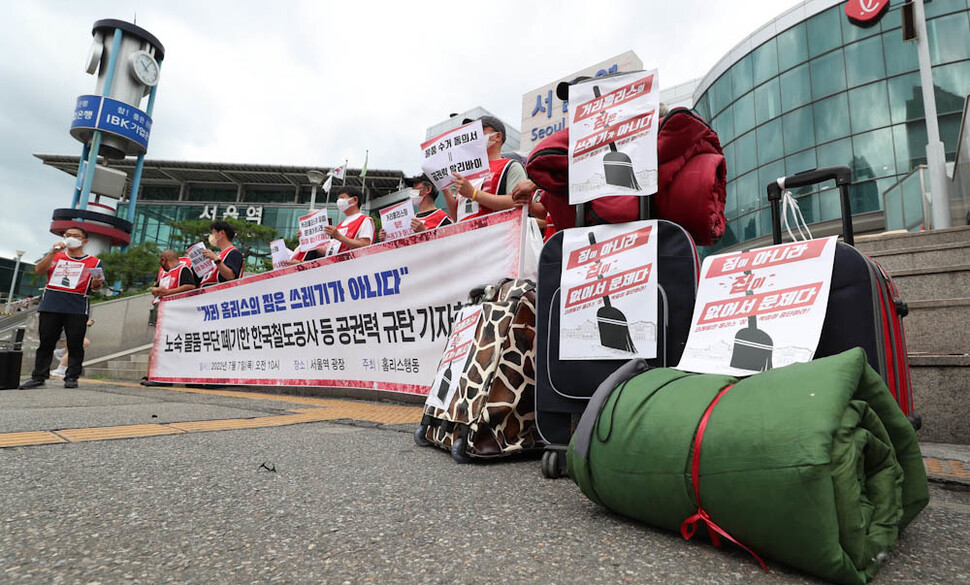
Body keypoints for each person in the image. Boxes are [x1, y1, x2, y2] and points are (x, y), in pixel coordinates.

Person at [20, 226, 104, 389]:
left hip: (76, 306)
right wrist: (52, 252)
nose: (71, 237)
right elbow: (39, 270)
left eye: (75, 236)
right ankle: (39, 376)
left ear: (84, 241)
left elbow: (96, 286)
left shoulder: (94, 261)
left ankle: (71, 376)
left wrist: (96, 284)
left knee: (75, 343)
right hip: (51, 304)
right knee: (46, 342)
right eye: (68, 235)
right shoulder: (56, 256)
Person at [444, 115, 527, 222]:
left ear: (497, 136)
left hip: (497, 235)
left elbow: (517, 202)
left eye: (479, 130)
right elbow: (458, 217)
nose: (474, 136)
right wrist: (445, 188)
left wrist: (474, 194)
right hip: (466, 235)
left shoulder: (511, 166)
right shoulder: (467, 173)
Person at [141, 249, 198, 387]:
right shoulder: (165, 273)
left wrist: (168, 292)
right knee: (160, 342)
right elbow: (155, 288)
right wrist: (155, 290)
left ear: (164, 260)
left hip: (175, 311)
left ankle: (160, 375)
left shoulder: (183, 270)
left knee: (164, 342)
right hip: (163, 309)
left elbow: (190, 286)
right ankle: (154, 374)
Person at [377, 175, 453, 242]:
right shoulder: (408, 219)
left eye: (415, 186)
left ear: (428, 189)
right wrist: (385, 239)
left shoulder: (443, 218)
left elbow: (449, 245)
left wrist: (425, 232)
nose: (412, 190)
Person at [324, 186, 375, 256]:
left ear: (355, 200)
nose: (339, 201)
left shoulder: (364, 220)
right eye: (338, 199)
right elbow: (330, 250)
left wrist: (339, 237)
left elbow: (365, 244)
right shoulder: (340, 225)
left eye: (342, 197)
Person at [199, 220, 244, 288]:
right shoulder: (220, 254)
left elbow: (230, 276)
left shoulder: (234, 253)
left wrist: (216, 259)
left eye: (213, 233)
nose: (211, 236)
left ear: (221, 233)